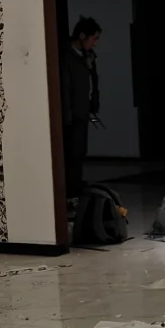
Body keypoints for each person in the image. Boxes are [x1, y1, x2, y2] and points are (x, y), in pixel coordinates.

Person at [61, 17, 102, 203]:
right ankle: (71, 190)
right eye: (94, 38)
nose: (95, 43)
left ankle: (77, 186)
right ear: (83, 36)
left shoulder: (88, 56)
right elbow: (66, 87)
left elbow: (92, 82)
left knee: (80, 151)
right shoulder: (67, 56)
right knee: (73, 153)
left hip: (83, 110)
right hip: (73, 113)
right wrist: (67, 115)